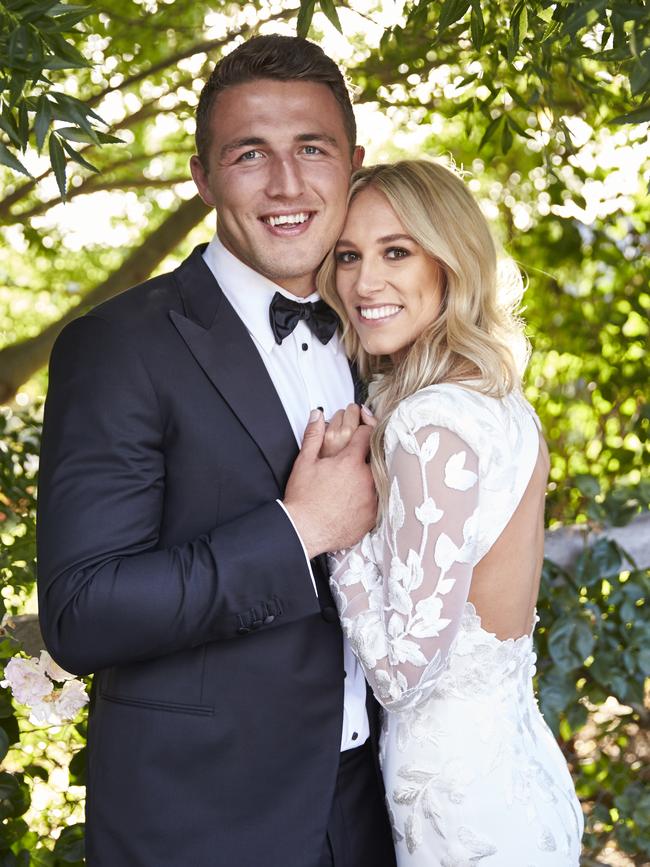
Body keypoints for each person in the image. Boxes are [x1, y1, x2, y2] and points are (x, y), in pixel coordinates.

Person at [36, 35, 396, 867]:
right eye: (249, 154)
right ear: (202, 177)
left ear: (353, 163)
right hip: (204, 822)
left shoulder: (385, 335)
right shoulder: (118, 345)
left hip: (377, 810)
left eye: (312, 149)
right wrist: (296, 529)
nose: (286, 184)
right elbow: (82, 611)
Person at [316, 160, 585, 865]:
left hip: (463, 811)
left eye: (395, 251)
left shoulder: (427, 424)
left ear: (450, 262)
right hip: (518, 775)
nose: (364, 282)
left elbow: (405, 674)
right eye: (348, 255)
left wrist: (336, 533)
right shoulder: (499, 403)